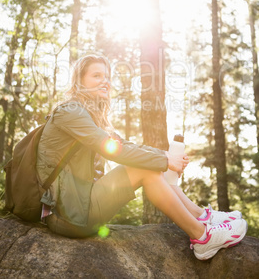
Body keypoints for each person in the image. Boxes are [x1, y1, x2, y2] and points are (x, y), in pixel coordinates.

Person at [36, 54, 247, 260]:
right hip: (66, 215)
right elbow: (114, 150)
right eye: (97, 76)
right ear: (80, 80)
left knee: (151, 165)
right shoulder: (70, 111)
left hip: (81, 207)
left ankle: (203, 218)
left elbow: (125, 145)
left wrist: (164, 155)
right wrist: (165, 161)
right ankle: (202, 236)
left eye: (107, 77)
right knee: (147, 168)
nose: (105, 81)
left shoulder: (89, 115)